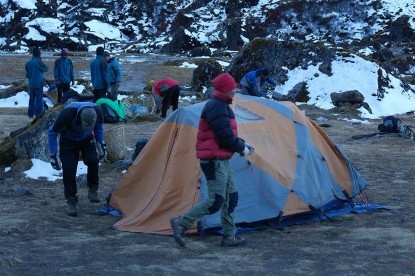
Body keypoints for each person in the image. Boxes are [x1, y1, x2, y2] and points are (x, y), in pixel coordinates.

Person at [170, 73, 255, 247]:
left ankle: (229, 236)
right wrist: (241, 148)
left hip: (221, 159)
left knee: (231, 197)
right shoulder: (217, 106)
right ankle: (182, 223)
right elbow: (224, 136)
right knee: (215, 201)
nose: (235, 91)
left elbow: (225, 134)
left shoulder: (222, 105)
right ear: (225, 89)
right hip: (214, 160)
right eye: (233, 88)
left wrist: (242, 144)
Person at [48, 102, 107, 217]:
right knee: (69, 168)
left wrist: (101, 143)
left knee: (93, 160)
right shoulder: (67, 114)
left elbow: (99, 127)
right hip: (68, 140)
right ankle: (71, 200)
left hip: (86, 139)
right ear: (80, 118)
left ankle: (93, 189)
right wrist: (53, 154)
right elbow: (52, 132)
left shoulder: (98, 111)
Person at [25, 47, 48, 118]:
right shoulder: (39, 61)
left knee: (31, 99)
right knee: (39, 99)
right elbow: (45, 69)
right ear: (38, 54)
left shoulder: (28, 63)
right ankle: (38, 114)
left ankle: (30, 114)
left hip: (31, 84)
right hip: (39, 84)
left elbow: (27, 75)